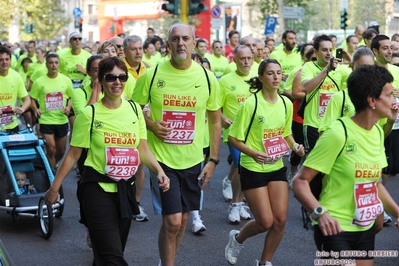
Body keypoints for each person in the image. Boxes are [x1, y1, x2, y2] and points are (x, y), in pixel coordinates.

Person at [44, 57, 170, 265]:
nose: (117, 82)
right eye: (111, 77)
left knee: (107, 254)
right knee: (113, 256)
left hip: (125, 191)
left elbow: (143, 147)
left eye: (122, 77)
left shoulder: (135, 110)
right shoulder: (89, 114)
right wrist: (54, 188)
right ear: (100, 80)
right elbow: (74, 154)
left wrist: (159, 171)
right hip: (96, 190)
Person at [132, 23, 221, 266]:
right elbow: (133, 110)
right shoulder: (151, 76)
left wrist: (213, 160)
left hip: (193, 160)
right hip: (162, 160)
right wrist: (150, 125)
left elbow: (215, 120)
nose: (180, 43)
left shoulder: (207, 77)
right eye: (175, 39)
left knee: (182, 221)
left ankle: (165, 260)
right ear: (168, 44)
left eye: (185, 39)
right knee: (172, 221)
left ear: (194, 42)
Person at [293, 64, 399, 266]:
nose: (395, 100)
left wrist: (397, 213)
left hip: (364, 227)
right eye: (389, 95)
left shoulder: (376, 132)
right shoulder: (338, 132)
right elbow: (300, 182)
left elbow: (375, 183)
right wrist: (320, 213)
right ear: (372, 100)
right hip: (334, 228)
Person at [225, 59, 305, 266]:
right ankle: (237, 239)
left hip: (276, 166)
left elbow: (285, 133)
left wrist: (295, 146)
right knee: (265, 221)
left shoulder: (286, 103)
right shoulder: (251, 104)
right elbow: (234, 138)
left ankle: (264, 262)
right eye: (270, 73)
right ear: (261, 78)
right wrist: (252, 153)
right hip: (253, 167)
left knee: (279, 222)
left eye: (279, 73)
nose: (276, 77)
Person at [220, 45, 255, 223]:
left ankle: (240, 203)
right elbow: (214, 108)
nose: (246, 61)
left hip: (254, 134)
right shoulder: (225, 81)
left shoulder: (258, 78)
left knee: (246, 169)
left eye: (249, 58)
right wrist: (222, 118)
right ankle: (234, 204)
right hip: (234, 134)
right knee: (241, 167)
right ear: (234, 60)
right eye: (242, 58)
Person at [30, 53, 73, 170]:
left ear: (59, 64)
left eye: (56, 62)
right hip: (46, 119)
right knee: (51, 148)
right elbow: (32, 98)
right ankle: (51, 176)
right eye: (51, 63)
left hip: (61, 119)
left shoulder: (66, 80)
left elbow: (71, 97)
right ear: (46, 65)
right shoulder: (39, 82)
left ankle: (52, 163)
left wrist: (68, 107)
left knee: (61, 150)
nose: (54, 65)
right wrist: (35, 109)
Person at [0, 46, 31, 133]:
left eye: (7, 59)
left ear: (10, 60)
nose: (4, 62)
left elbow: (27, 99)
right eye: (1, 60)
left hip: (12, 125)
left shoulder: (16, 76)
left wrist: (23, 108)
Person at [270, 30, 302, 95]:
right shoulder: (275, 54)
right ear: (284, 40)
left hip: (294, 92)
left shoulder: (298, 55)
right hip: (279, 92)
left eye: (295, 38)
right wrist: (280, 75)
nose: (294, 41)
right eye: (291, 39)